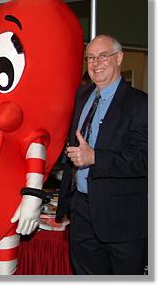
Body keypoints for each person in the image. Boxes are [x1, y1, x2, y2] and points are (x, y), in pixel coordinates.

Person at [56, 34, 148, 275]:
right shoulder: (81, 96)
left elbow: (146, 160)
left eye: (103, 56)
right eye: (90, 58)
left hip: (123, 220)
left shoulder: (142, 104)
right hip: (82, 214)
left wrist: (96, 158)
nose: (96, 63)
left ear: (119, 58)